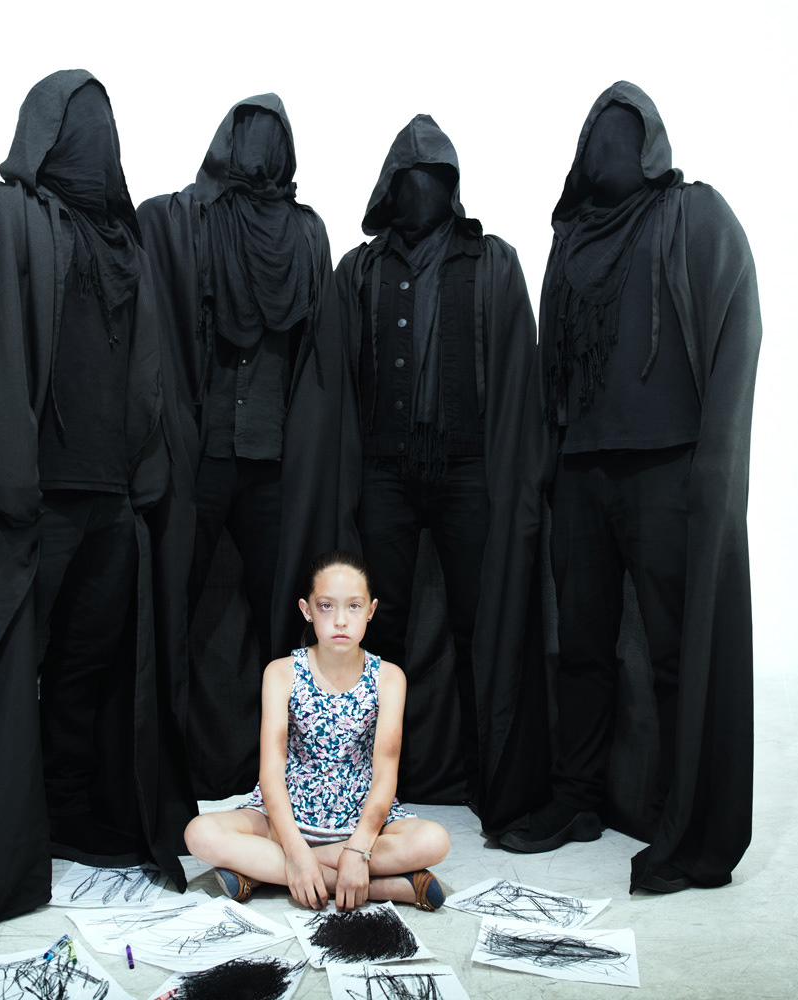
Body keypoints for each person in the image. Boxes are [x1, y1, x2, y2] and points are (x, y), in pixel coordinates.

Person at [0, 69, 191, 928]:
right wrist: (11, 488)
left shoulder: (123, 239)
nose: (97, 140)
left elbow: (147, 367)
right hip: (37, 499)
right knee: (9, 671)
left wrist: (145, 478)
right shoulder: (2, 216)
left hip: (111, 499)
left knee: (86, 671)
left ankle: (72, 814)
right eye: (81, 123)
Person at [500, 82, 761, 897]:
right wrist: (548, 464)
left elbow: (736, 329)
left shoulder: (692, 213)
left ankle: (686, 817)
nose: (607, 145)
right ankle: (578, 797)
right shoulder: (571, 235)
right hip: (582, 469)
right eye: (596, 133)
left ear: (652, 142)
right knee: (580, 646)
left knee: (678, 651)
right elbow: (551, 361)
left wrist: (715, 467)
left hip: (667, 467)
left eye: (624, 131)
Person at [275, 115, 552, 835]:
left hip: (468, 469)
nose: (420, 190)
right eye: (408, 178)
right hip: (384, 474)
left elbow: (518, 371)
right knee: (377, 628)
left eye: (434, 178)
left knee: (480, 621)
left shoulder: (491, 261)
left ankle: (494, 782)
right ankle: (363, 790)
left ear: (453, 186)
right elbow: (334, 381)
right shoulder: (360, 269)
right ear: (388, 187)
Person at [138, 95, 331, 799]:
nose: (257, 151)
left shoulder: (305, 233)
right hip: (205, 456)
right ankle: (159, 769)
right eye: (246, 135)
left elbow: (316, 351)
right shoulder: (190, 220)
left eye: (270, 137)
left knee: (289, 619)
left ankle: (296, 774)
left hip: (273, 460)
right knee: (173, 608)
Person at [183, 550, 450, 912]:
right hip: (285, 819)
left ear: (371, 611)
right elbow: (271, 772)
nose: (340, 620)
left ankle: (262, 874)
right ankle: (382, 886)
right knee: (199, 833)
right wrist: (295, 851)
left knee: (434, 840)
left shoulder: (389, 677)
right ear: (306, 610)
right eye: (326, 606)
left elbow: (386, 773)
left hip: (359, 816)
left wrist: (358, 848)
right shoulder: (281, 672)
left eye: (353, 606)